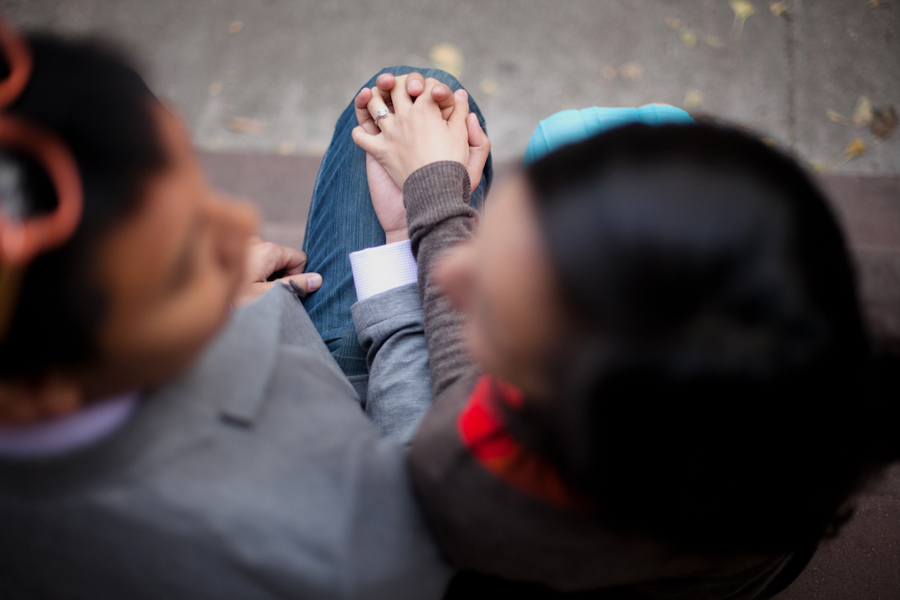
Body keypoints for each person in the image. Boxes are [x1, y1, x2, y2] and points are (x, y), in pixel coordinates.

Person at [351, 76, 900, 598]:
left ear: (546, 401)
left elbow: (445, 408)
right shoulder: (798, 393)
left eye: (487, 313)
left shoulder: (468, 477)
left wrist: (416, 223)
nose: (445, 275)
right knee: (579, 136)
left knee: (405, 82)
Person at [0, 26, 488, 599]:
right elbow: (440, 486)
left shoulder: (60, 367)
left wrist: (215, 303)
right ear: (42, 389)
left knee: (405, 104)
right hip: (363, 418)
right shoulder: (338, 549)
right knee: (430, 107)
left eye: (200, 194)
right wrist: (409, 237)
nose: (239, 223)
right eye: (183, 264)